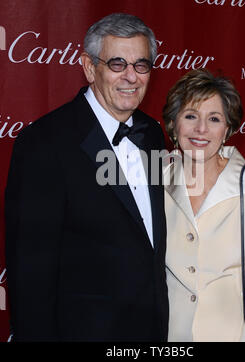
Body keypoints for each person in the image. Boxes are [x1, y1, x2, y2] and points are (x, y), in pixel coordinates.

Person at [5, 13, 168, 342]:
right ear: (89, 67)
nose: (131, 77)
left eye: (141, 65)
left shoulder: (151, 133)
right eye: (117, 64)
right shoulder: (44, 144)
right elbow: (30, 274)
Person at [162, 68, 245, 342]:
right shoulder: (156, 182)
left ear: (227, 129)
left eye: (214, 119)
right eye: (191, 116)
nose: (201, 129)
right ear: (174, 123)